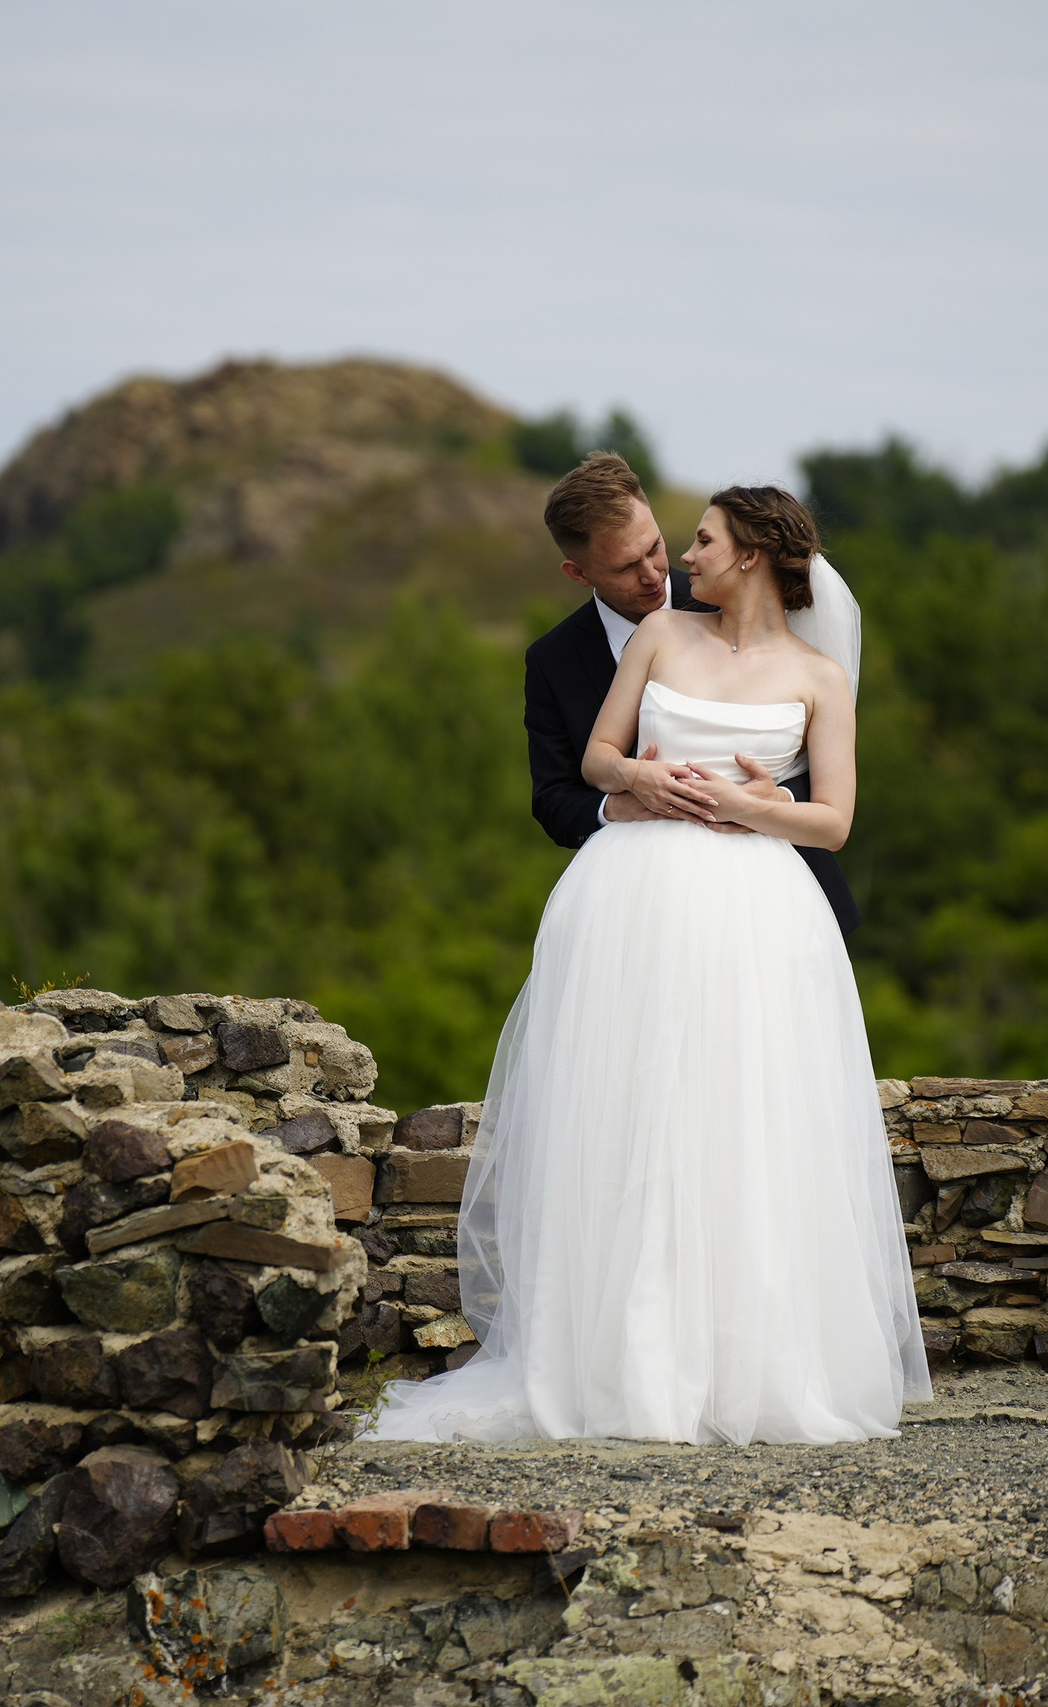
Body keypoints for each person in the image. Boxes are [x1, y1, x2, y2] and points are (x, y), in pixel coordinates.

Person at [362, 471, 929, 1446]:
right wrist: (633, 784)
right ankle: (622, 1361)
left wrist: (754, 808)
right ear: (581, 567)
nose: (673, 563)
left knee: (744, 1116)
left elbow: (831, 819)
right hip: (635, 901)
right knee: (631, 1111)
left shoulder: (817, 675)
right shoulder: (652, 641)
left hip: (756, 906)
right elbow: (582, 768)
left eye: (691, 544)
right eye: (647, 558)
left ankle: (746, 1364)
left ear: (747, 554)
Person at [520, 454, 860, 934]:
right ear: (579, 574)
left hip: (773, 892)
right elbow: (553, 798)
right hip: (638, 893)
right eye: (625, 567)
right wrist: (621, 801)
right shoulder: (554, 660)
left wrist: (773, 800)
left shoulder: (734, 590)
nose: (655, 573)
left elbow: (818, 768)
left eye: (654, 546)